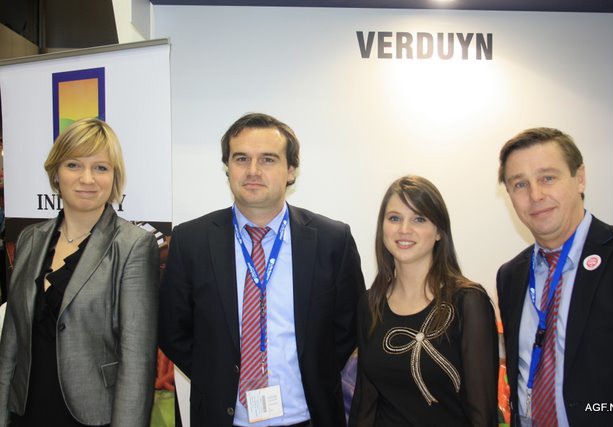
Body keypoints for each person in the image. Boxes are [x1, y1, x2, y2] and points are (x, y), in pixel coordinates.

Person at [159, 112, 365, 427]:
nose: (253, 170)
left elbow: (348, 326)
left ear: (291, 170)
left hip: (309, 417)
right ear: (227, 167)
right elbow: (172, 330)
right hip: (224, 419)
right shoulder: (191, 241)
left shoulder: (331, 240)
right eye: (241, 158)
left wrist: (315, 371)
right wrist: (215, 375)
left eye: (268, 159)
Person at [0, 118, 160, 426]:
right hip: (25, 412)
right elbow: (11, 342)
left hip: (93, 416)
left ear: (114, 177)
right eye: (74, 165)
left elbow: (137, 359)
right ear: (56, 173)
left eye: (101, 167)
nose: (87, 178)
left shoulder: (133, 245)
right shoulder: (30, 239)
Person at [497, 127, 613, 426]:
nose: (535, 195)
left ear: (580, 178)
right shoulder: (510, 276)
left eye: (547, 178)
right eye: (520, 184)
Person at [349, 175, 498, 427]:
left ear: (439, 231)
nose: (404, 229)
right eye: (394, 218)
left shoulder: (468, 302)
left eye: (419, 219)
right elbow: (366, 400)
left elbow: (482, 413)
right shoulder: (370, 304)